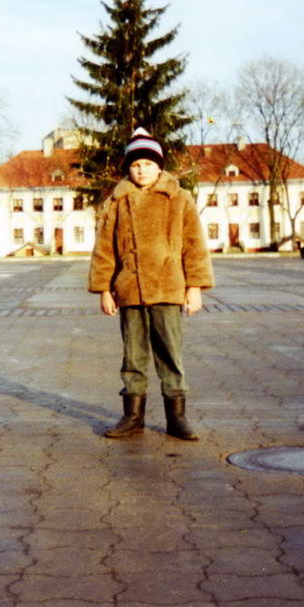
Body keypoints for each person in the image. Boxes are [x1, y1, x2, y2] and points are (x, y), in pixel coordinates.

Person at [88, 127, 215, 440]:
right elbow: (104, 248)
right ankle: (133, 416)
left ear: (159, 166)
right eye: (134, 164)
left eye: (147, 163)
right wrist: (104, 288)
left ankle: (177, 419)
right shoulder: (117, 202)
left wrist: (194, 286)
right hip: (128, 289)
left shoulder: (179, 198)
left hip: (167, 287)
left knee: (170, 353)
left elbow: (193, 244)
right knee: (133, 356)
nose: (140, 169)